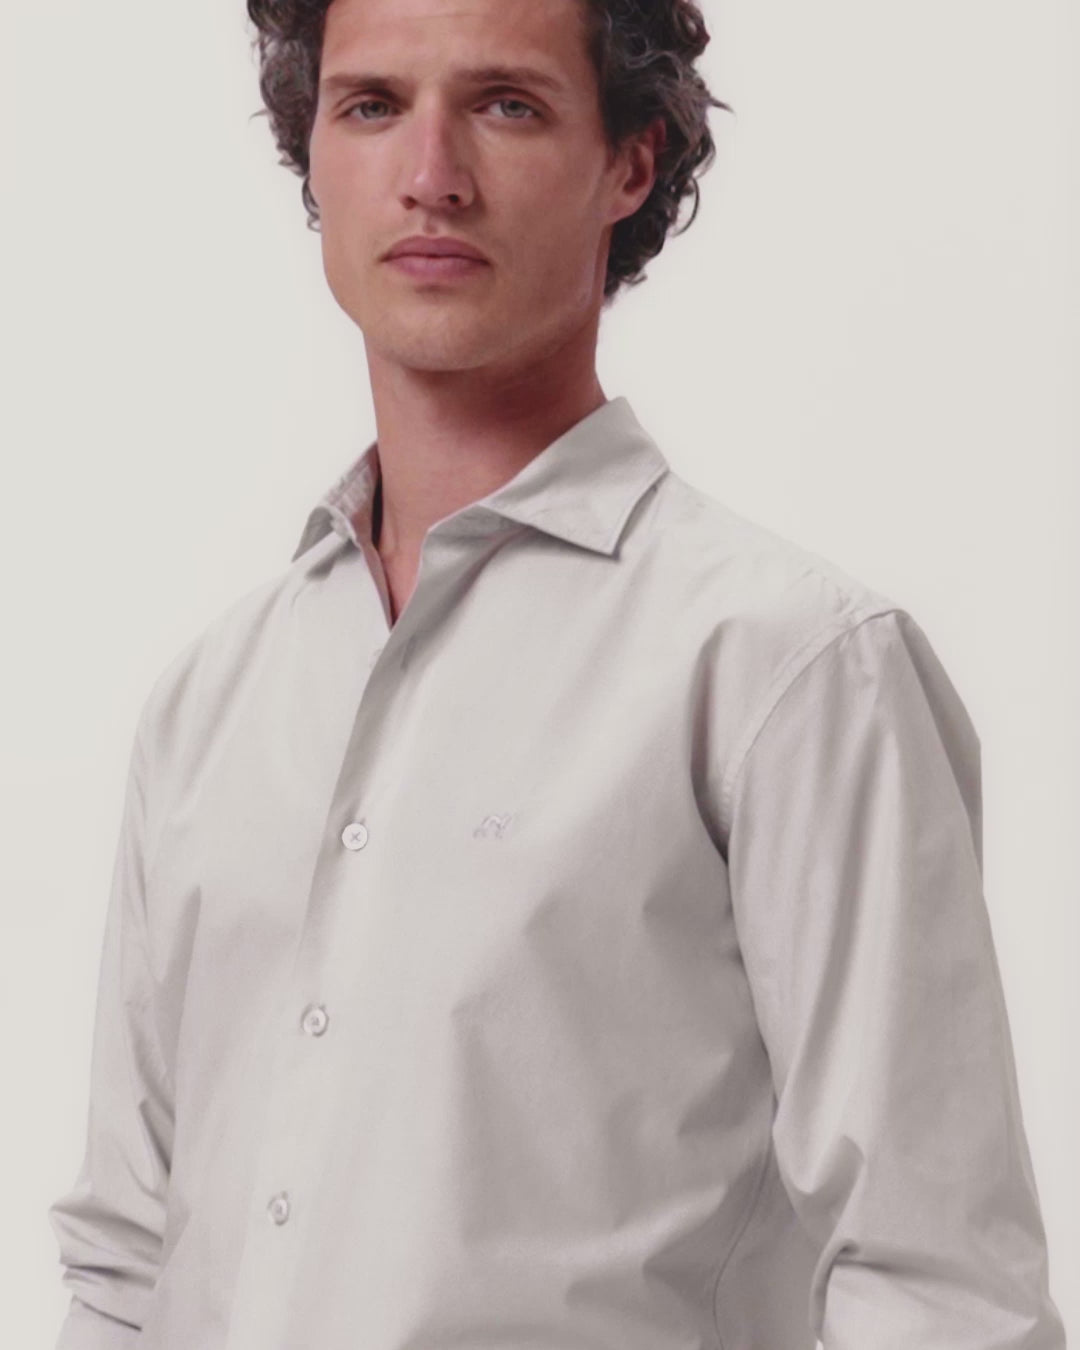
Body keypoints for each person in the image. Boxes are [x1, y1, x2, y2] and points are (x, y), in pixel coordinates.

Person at [48, 0, 1066, 1346]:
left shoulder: (787, 670)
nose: (431, 175)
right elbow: (126, 1264)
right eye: (371, 106)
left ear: (630, 161)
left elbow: (942, 1290)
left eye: (507, 105)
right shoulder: (209, 700)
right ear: (312, 152)